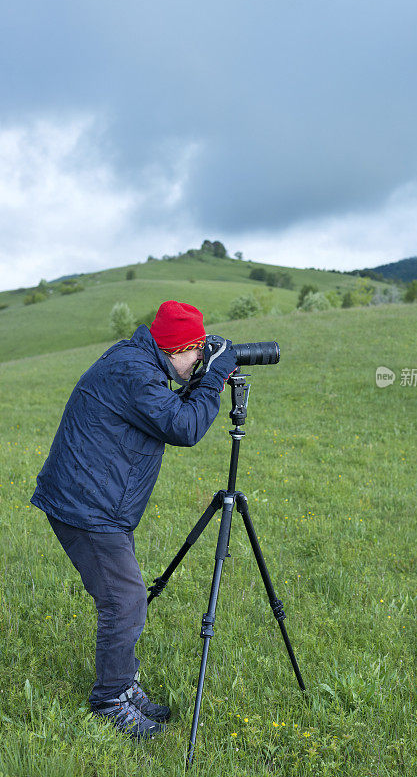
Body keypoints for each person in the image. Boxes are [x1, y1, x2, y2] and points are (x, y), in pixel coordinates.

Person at [31, 300, 237, 741]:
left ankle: (124, 686)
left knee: (126, 597)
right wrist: (217, 374)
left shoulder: (136, 363)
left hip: (91, 498)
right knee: (124, 601)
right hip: (85, 506)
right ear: (175, 348)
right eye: (197, 351)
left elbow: (162, 410)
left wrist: (203, 376)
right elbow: (184, 427)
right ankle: (109, 700)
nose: (199, 359)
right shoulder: (134, 372)